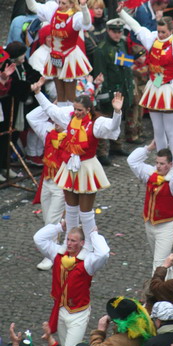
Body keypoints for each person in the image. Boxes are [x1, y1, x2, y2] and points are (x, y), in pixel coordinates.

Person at [31, 81, 123, 241]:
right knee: (70, 210)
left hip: (86, 168)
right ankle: (70, 242)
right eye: (74, 109)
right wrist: (38, 92)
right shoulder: (70, 120)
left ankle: (88, 243)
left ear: (88, 110)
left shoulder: (96, 123)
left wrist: (117, 111)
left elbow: (113, 127)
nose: (76, 112)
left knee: (86, 213)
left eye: (80, 110)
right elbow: (51, 110)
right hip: (69, 168)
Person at [119, 6, 173, 152]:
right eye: (159, 31)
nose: (160, 35)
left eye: (163, 32)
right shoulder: (152, 39)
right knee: (157, 130)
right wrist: (121, 12)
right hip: (155, 86)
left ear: (171, 31)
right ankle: (161, 160)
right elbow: (136, 27)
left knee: (170, 130)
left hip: (168, 88)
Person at [33, 218, 110, 346]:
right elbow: (38, 238)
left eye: (73, 241)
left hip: (78, 313)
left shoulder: (88, 261)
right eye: (67, 239)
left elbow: (103, 253)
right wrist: (59, 227)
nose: (68, 243)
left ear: (82, 243)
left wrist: (94, 234)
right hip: (61, 310)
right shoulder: (57, 254)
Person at [23, 0, 93, 104]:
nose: (60, 5)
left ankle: (70, 119)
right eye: (60, 2)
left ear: (71, 4)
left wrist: (83, 6)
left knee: (71, 97)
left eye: (64, 3)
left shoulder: (75, 17)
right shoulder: (53, 11)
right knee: (60, 96)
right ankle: (60, 120)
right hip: (55, 56)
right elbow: (34, 7)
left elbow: (86, 22)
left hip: (69, 56)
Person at [127, 141, 173, 275]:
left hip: (166, 226)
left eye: (162, 164)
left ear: (170, 165)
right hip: (149, 224)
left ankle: (155, 294)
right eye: (157, 163)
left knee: (159, 264)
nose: (159, 166)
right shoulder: (150, 174)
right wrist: (148, 148)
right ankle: (169, 290)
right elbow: (132, 161)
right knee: (164, 262)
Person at [27, 103, 65, 270]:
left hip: (61, 185)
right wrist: (49, 104)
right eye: (54, 117)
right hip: (47, 182)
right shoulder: (48, 131)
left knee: (52, 220)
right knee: (47, 219)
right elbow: (31, 117)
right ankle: (58, 245)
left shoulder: (72, 137)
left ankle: (50, 255)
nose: (55, 121)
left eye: (59, 118)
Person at [92, 18, 135, 166]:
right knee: (105, 120)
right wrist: (103, 96)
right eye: (114, 31)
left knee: (118, 119)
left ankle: (117, 145)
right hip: (109, 91)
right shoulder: (101, 50)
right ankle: (102, 152)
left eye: (119, 32)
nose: (117, 34)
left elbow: (126, 66)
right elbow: (100, 74)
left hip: (121, 89)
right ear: (108, 31)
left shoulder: (121, 44)